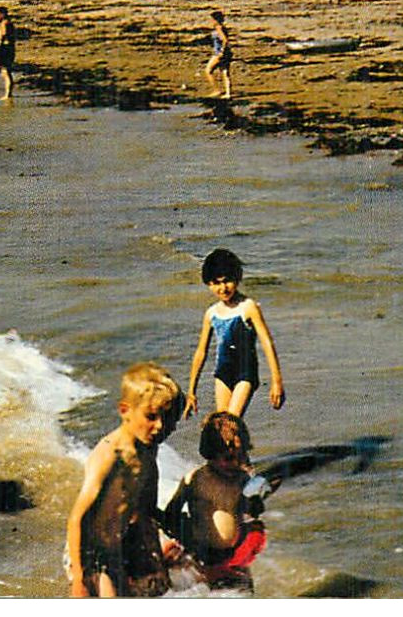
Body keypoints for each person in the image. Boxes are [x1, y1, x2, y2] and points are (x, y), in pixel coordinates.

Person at [65, 362, 180, 598]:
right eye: (151, 416)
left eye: (165, 418)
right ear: (124, 410)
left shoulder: (148, 448)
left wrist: (156, 557)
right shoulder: (110, 455)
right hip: (91, 551)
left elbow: (145, 512)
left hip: (123, 541)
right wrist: (80, 577)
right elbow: (77, 518)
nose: (160, 426)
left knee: (158, 590)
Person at [160, 411, 268, 589]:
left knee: (244, 591)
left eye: (240, 456)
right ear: (210, 453)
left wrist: (255, 503)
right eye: (228, 458)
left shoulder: (242, 478)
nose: (235, 463)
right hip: (204, 554)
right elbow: (172, 512)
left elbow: (251, 510)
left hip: (234, 553)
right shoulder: (197, 479)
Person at [185, 248, 284, 419]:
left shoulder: (248, 307)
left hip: (245, 373)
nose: (223, 288)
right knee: (223, 425)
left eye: (227, 281)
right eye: (216, 283)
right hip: (223, 373)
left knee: (232, 422)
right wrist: (191, 391)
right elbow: (201, 352)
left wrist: (276, 382)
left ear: (237, 278)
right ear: (208, 283)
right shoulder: (212, 313)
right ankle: (241, 446)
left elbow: (267, 343)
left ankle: (241, 444)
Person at [204, 10, 232, 100]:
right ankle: (228, 93)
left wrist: (221, 51)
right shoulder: (223, 27)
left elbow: (225, 40)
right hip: (227, 52)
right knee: (225, 72)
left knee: (208, 70)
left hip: (219, 53)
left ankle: (216, 90)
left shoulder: (218, 27)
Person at [0, 7, 15, 101]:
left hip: (4, 49)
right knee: (5, 71)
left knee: (6, 71)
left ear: (2, 14)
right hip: (5, 48)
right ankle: (8, 93)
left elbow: (4, 36)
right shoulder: (6, 23)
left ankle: (8, 94)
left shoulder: (5, 23)